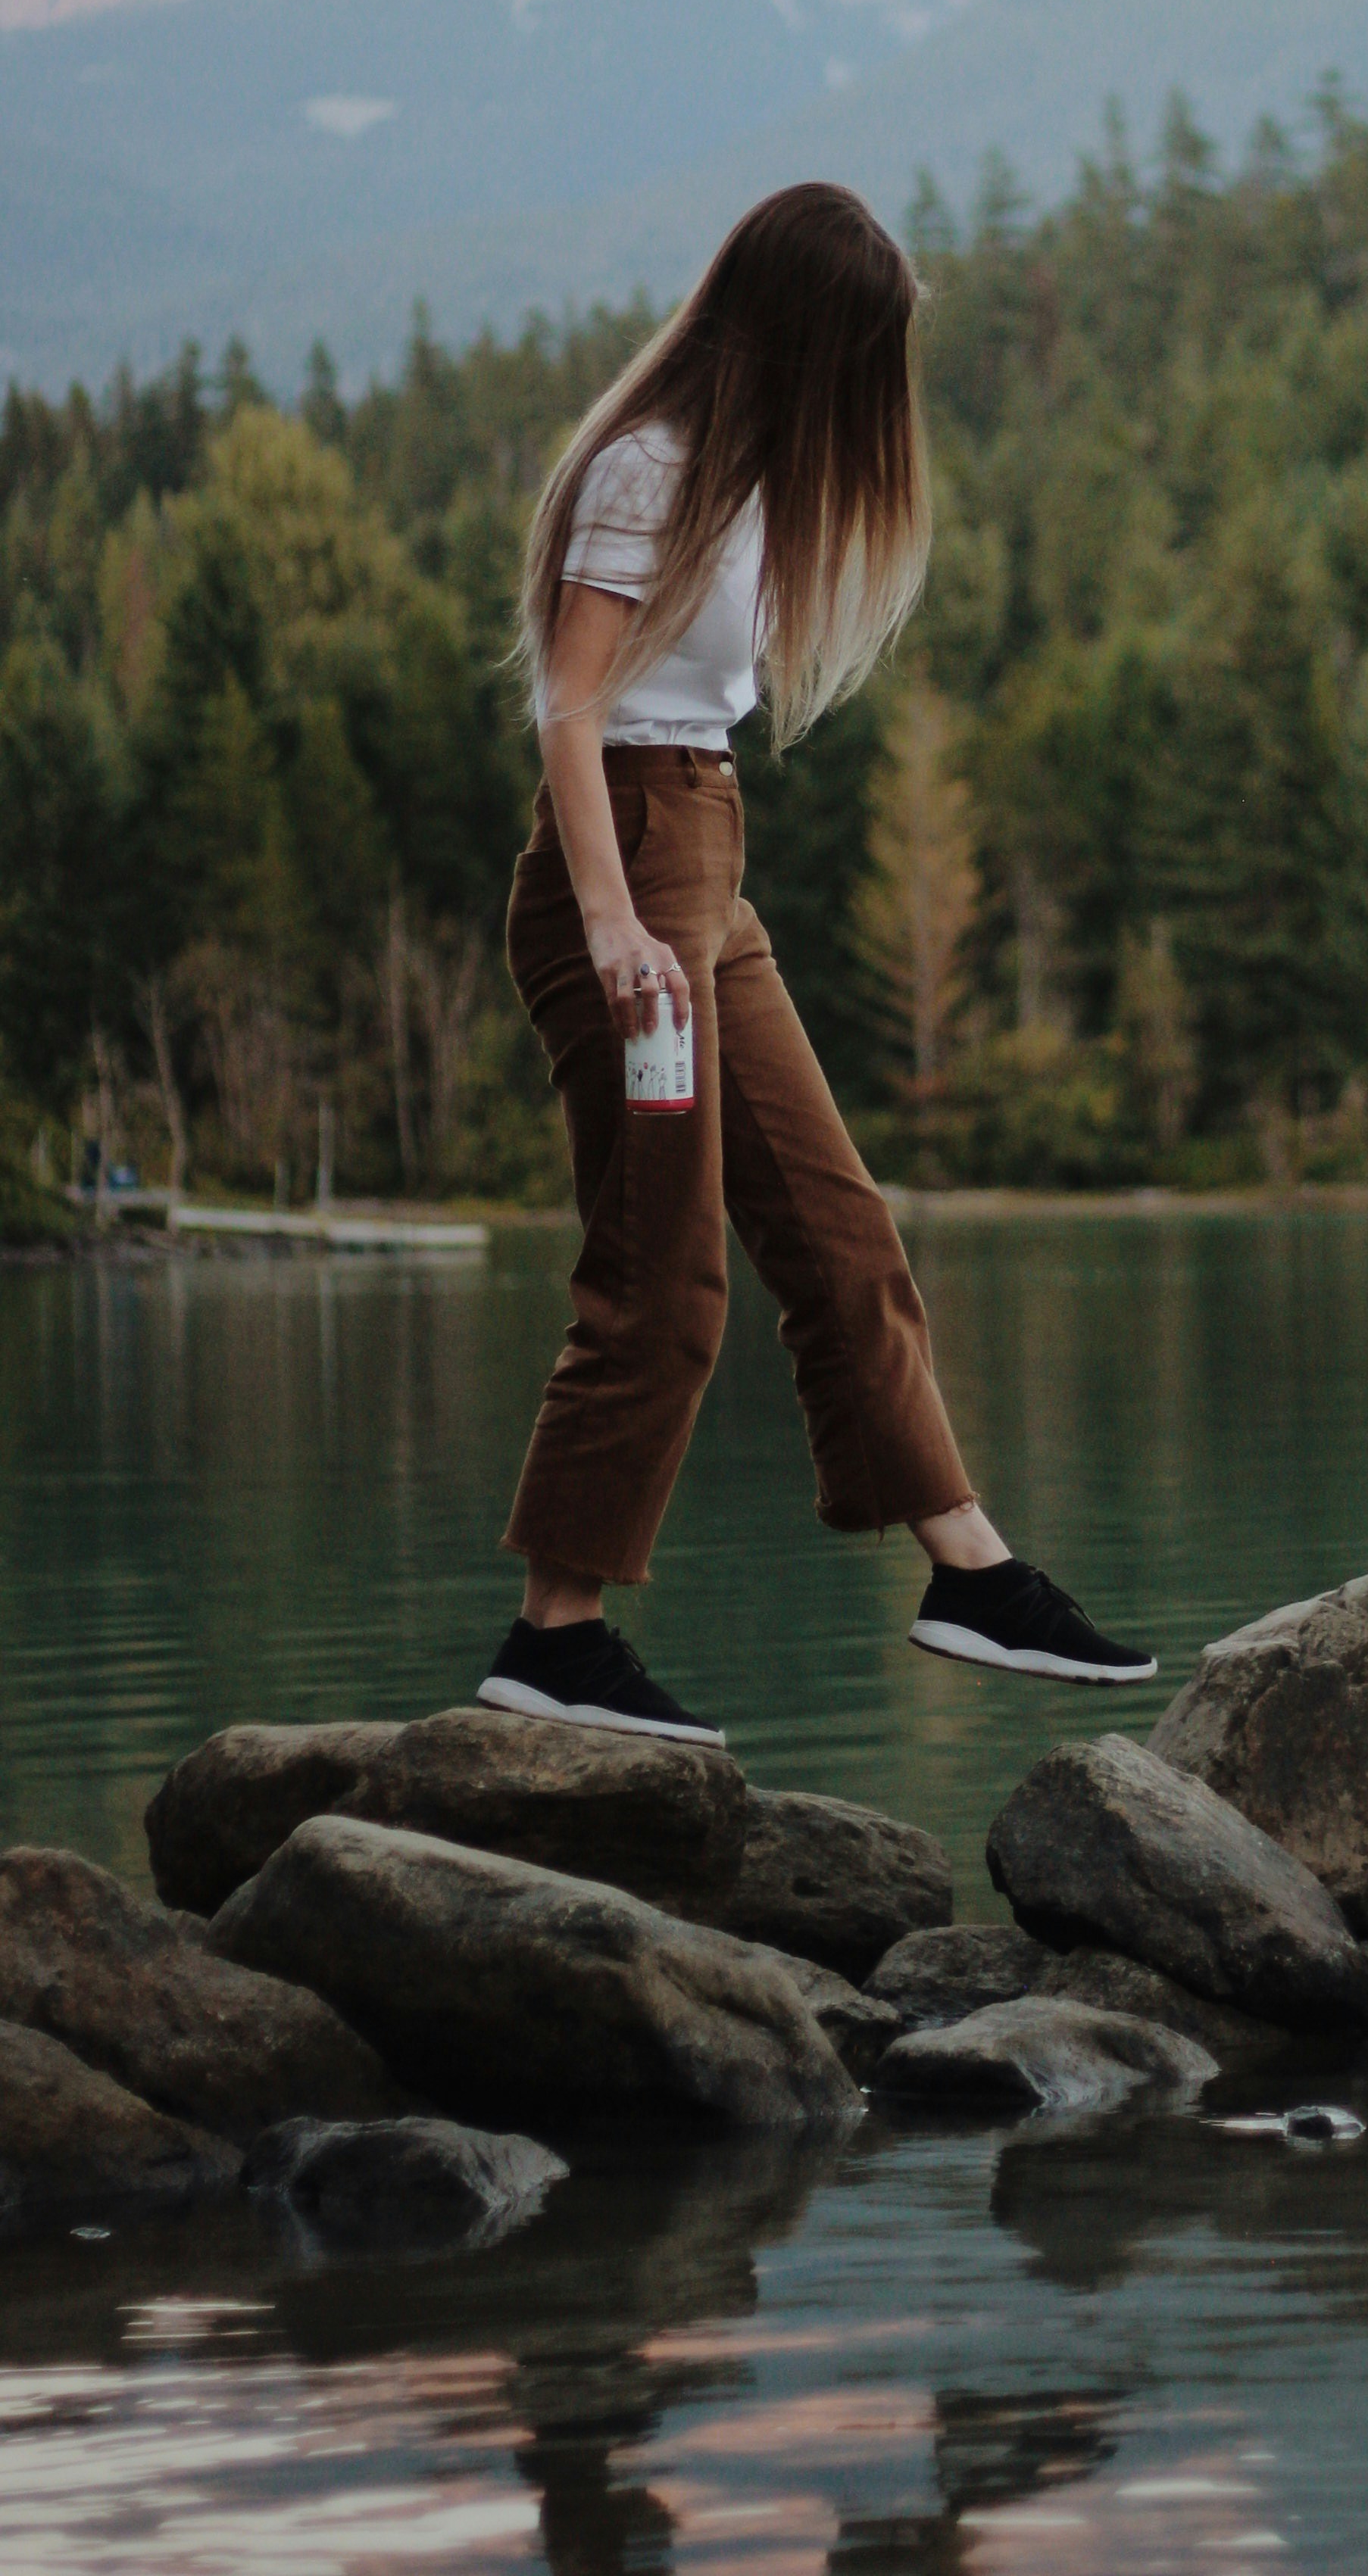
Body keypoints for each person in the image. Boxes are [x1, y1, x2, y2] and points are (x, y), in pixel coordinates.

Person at [477, 179, 1150, 1745]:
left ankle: (967, 1571)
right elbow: (569, 706)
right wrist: (610, 924)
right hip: (634, 869)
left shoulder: (743, 472)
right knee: (663, 1279)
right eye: (856, 351)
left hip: (707, 861)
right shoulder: (646, 470)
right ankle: (553, 1637)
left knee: (843, 1232)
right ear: (792, 330)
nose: (871, 391)